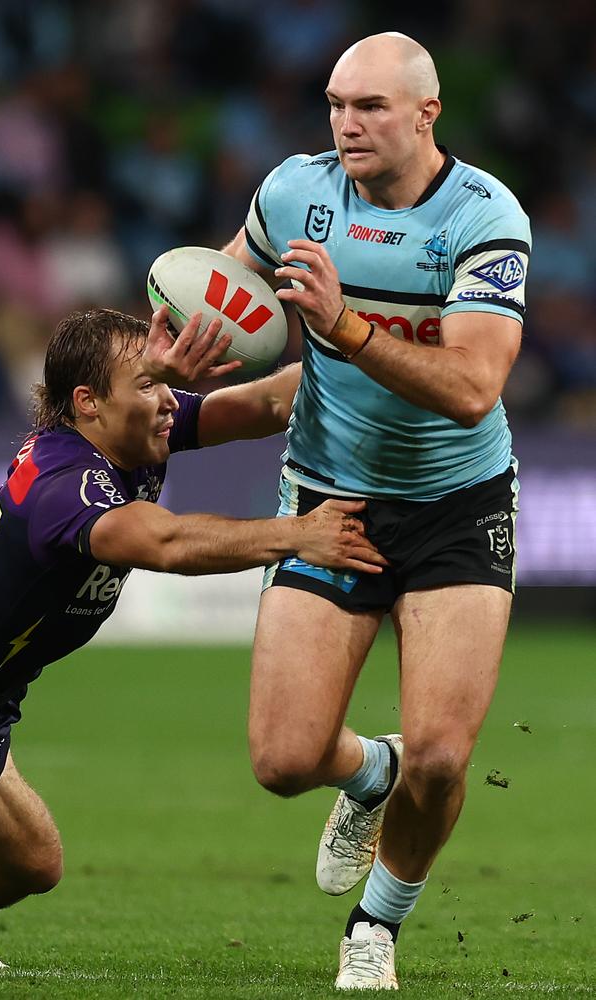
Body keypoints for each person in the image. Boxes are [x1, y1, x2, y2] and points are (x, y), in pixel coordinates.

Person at [222, 31, 531, 990]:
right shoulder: (294, 193)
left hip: (456, 502)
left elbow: (474, 385)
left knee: (442, 757)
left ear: (426, 116)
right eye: (335, 104)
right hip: (330, 495)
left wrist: (344, 325)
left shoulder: (484, 217)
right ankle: (367, 774)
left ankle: (376, 929)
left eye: (370, 108)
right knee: (282, 758)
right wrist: (184, 343)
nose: (345, 125)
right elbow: (232, 291)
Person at [0, 306, 385, 969]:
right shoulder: (66, 487)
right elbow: (168, 542)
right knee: (28, 866)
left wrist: (376, 343)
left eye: (163, 384)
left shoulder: (134, 430)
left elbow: (268, 401)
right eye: (147, 384)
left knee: (32, 864)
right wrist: (297, 534)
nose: (166, 402)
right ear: (87, 403)